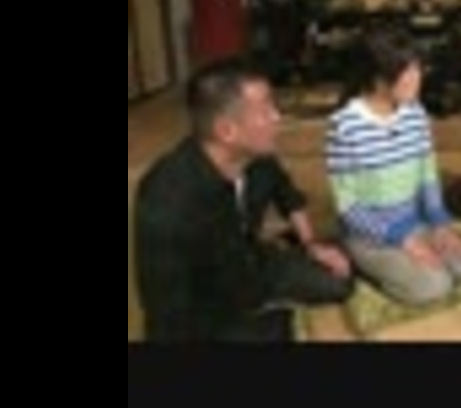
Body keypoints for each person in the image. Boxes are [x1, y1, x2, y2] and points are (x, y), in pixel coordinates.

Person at [134, 59, 354, 342]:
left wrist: (311, 243)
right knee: (279, 331)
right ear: (227, 131)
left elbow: (285, 192)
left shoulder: (257, 157)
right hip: (206, 301)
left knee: (338, 281)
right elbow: (166, 310)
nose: (278, 117)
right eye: (265, 111)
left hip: (250, 262)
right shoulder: (168, 198)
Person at [325, 27, 461, 306]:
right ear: (378, 77)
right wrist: (401, 240)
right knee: (435, 285)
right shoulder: (344, 125)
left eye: (418, 68)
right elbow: (347, 206)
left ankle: (408, 259)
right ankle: (362, 263)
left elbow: (428, 178)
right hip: (369, 236)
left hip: (414, 223)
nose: (417, 78)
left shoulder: (415, 113)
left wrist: (439, 224)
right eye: (407, 71)